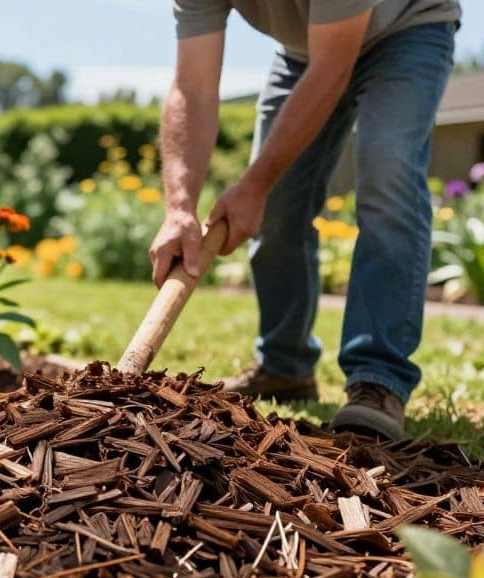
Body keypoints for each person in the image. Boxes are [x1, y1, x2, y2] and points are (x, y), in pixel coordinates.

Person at [149, 0, 459, 439]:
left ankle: (378, 378)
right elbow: (193, 86)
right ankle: (285, 365)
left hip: (405, 29)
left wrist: (253, 186)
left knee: (387, 173)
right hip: (304, 52)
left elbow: (334, 66)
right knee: (276, 209)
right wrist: (179, 207)